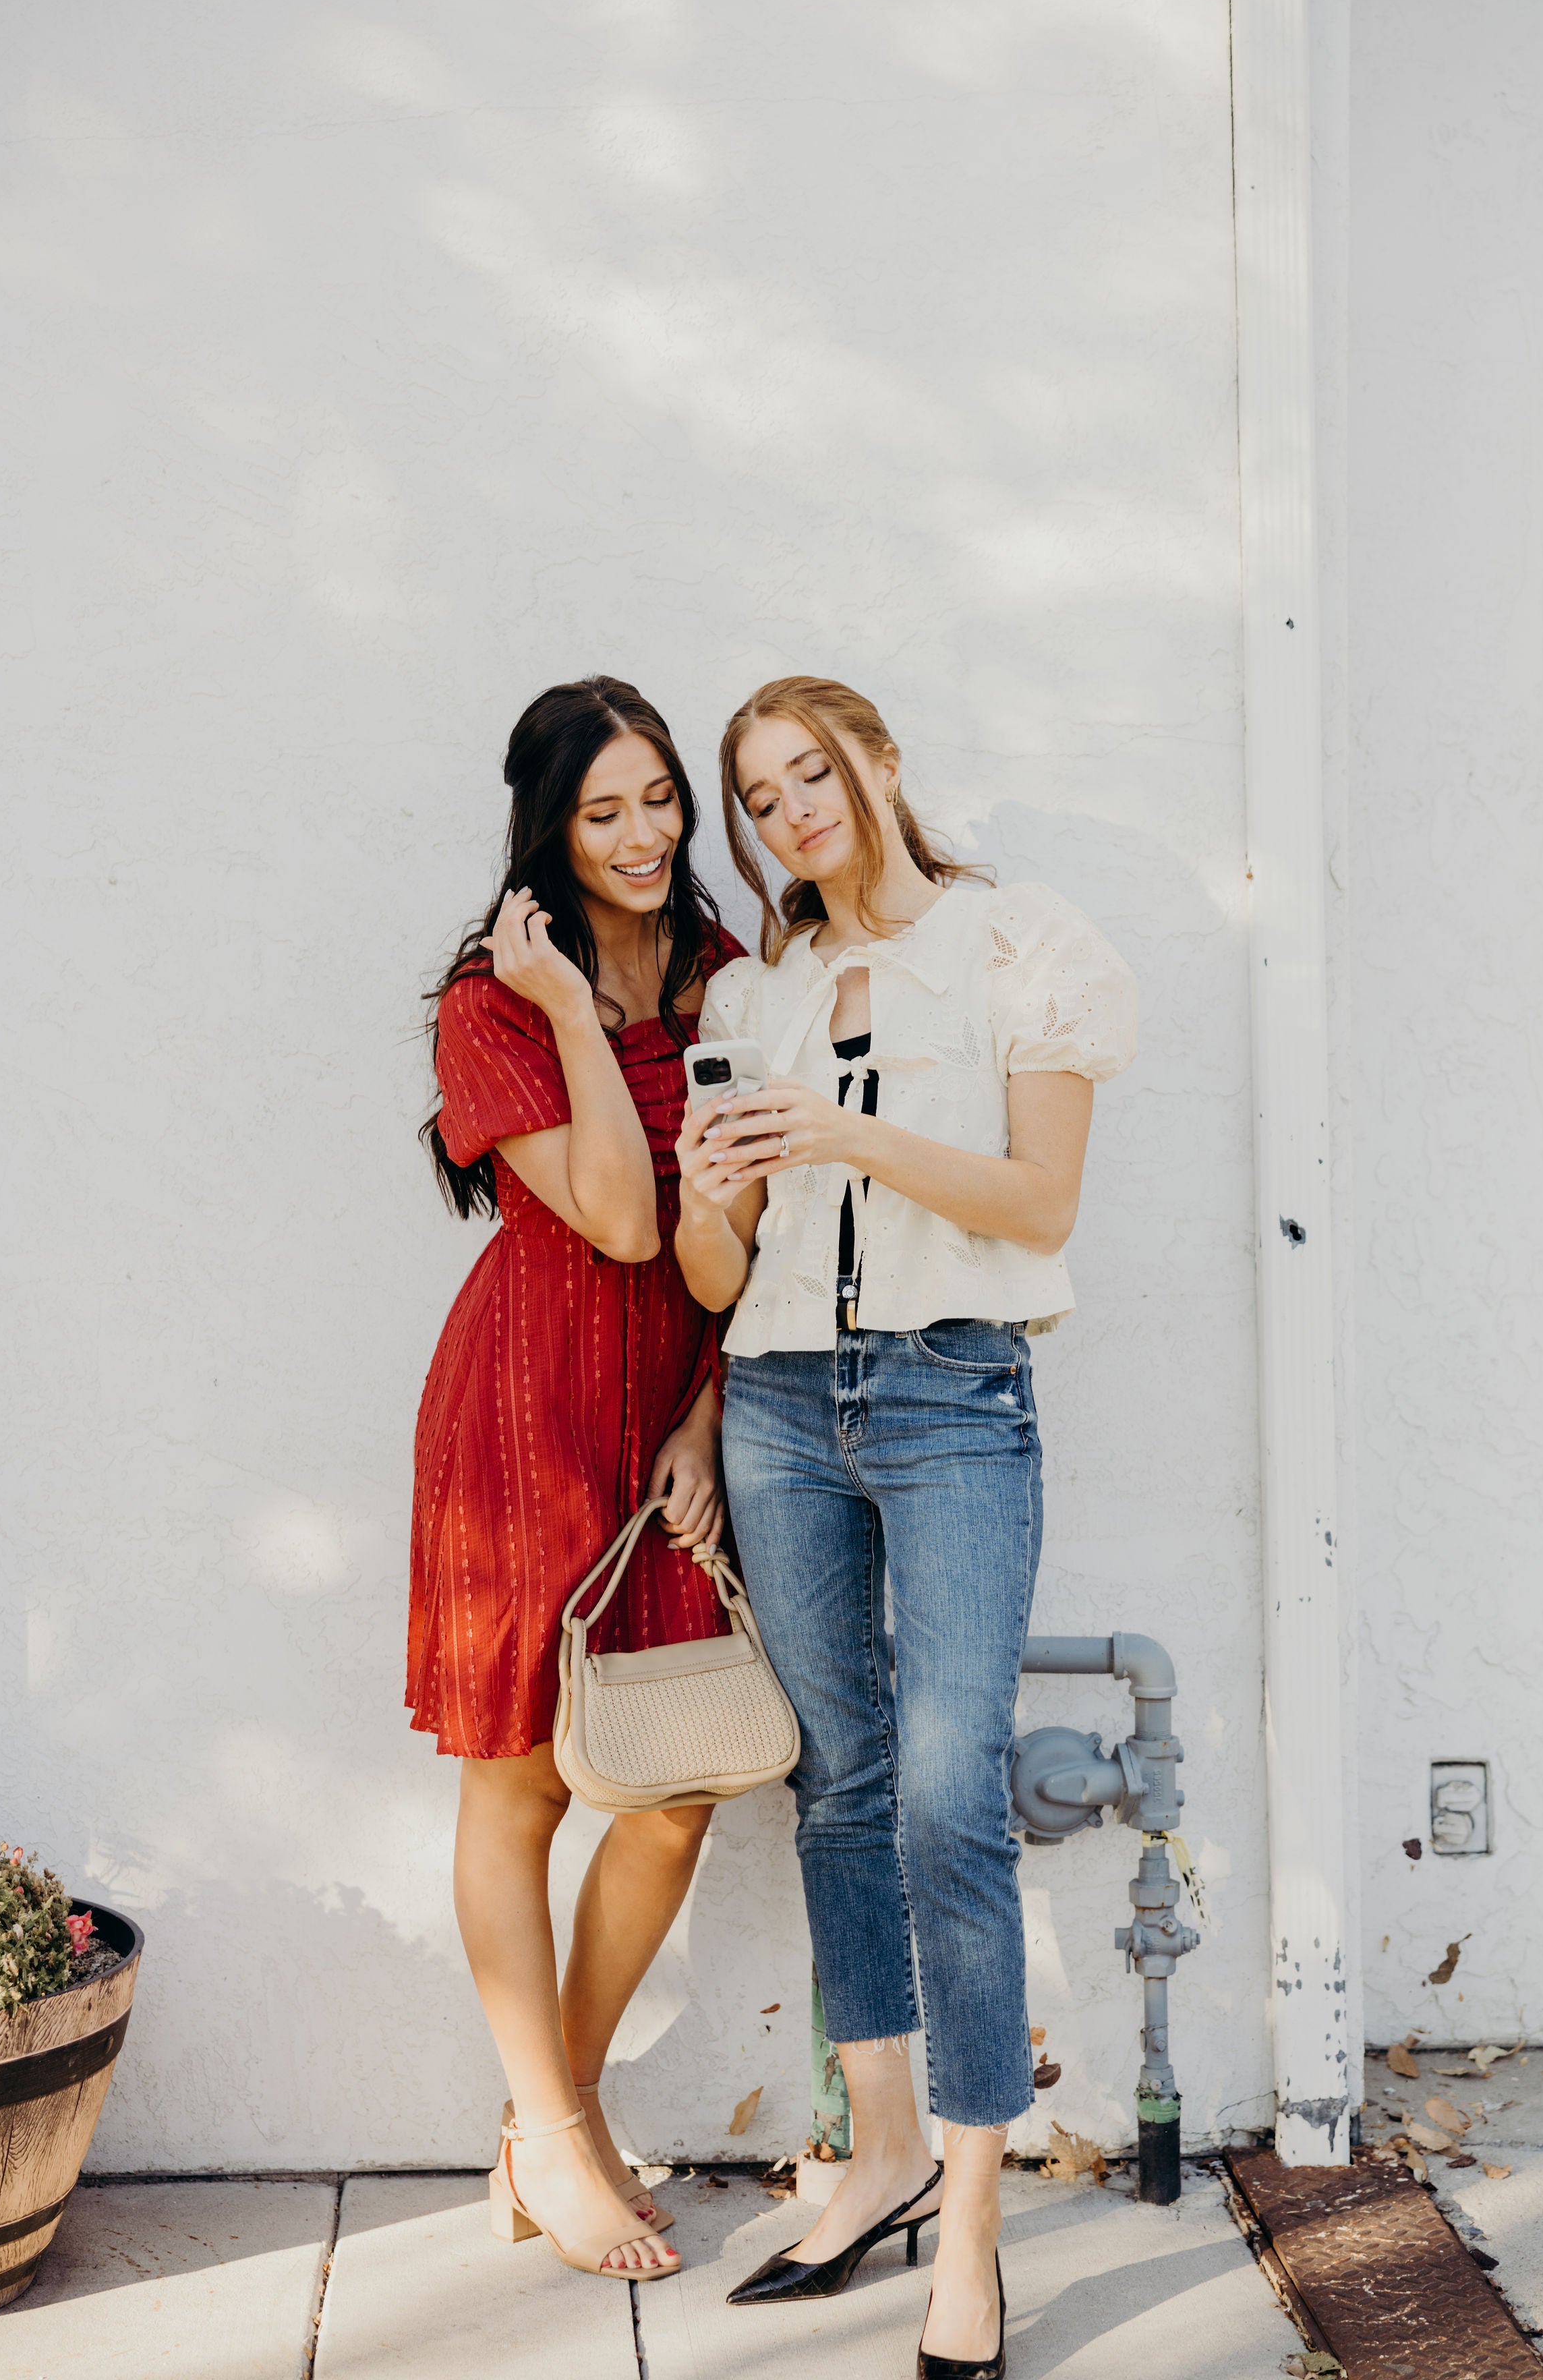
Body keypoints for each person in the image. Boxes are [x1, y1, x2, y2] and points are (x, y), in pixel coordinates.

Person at [674, 677, 1136, 2378]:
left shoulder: (1021, 947)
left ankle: (972, 2223)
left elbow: (1040, 1203)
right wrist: (714, 1197)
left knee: (953, 1797)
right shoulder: (754, 987)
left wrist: (844, 1131)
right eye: (760, 793)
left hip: (953, 1399)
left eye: (815, 772)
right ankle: (875, 2157)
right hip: (784, 1405)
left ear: (878, 765)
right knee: (842, 1783)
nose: (793, 809)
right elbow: (717, 1274)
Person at [409, 676, 743, 2286]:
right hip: (529, 1412)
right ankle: (551, 2133)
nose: (640, 836)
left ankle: (561, 2105)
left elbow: (786, 1224)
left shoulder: (729, 975)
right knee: (523, 1782)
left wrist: (716, 1417)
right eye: (601, 810)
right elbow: (618, 1217)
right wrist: (565, 1014)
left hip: (677, 1412)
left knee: (673, 1787)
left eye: (660, 800)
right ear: (547, 826)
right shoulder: (492, 999)